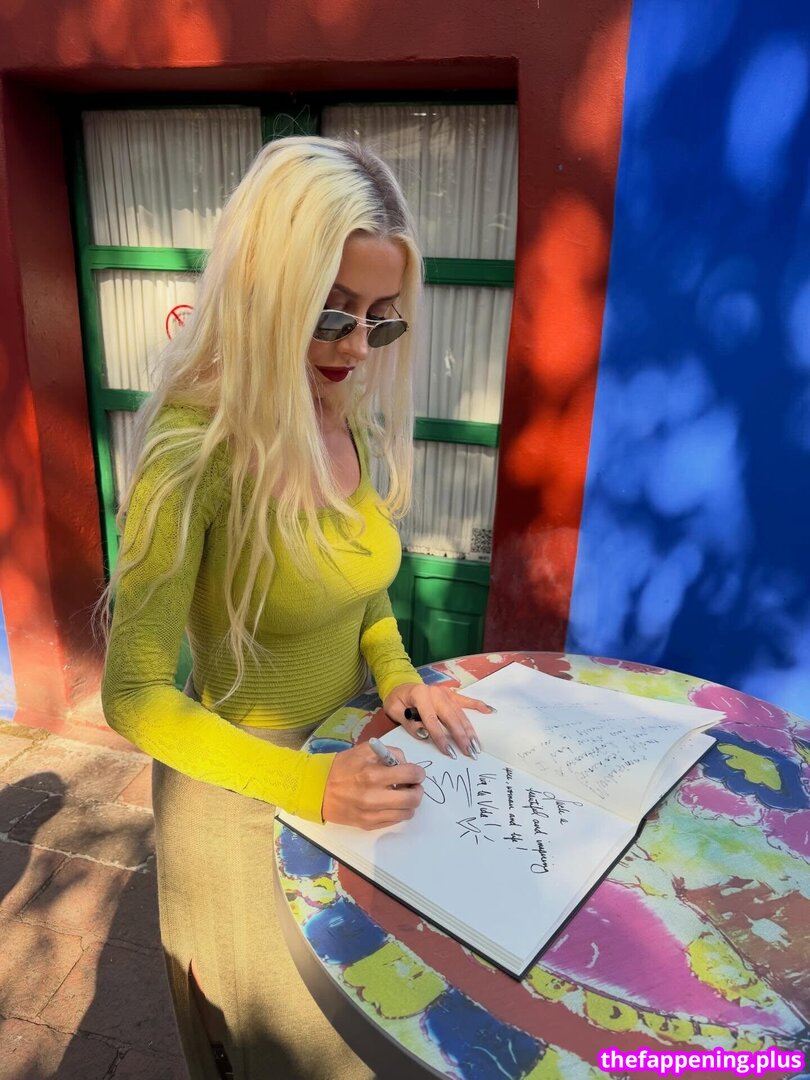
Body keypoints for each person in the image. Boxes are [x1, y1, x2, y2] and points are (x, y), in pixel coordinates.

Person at [100, 136, 491, 1080]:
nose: (356, 348)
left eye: (381, 322)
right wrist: (310, 788)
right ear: (264, 292)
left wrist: (397, 676)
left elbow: (363, 586)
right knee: (292, 1053)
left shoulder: (345, 415)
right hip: (243, 799)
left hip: (348, 762)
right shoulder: (192, 454)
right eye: (332, 314)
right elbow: (134, 695)